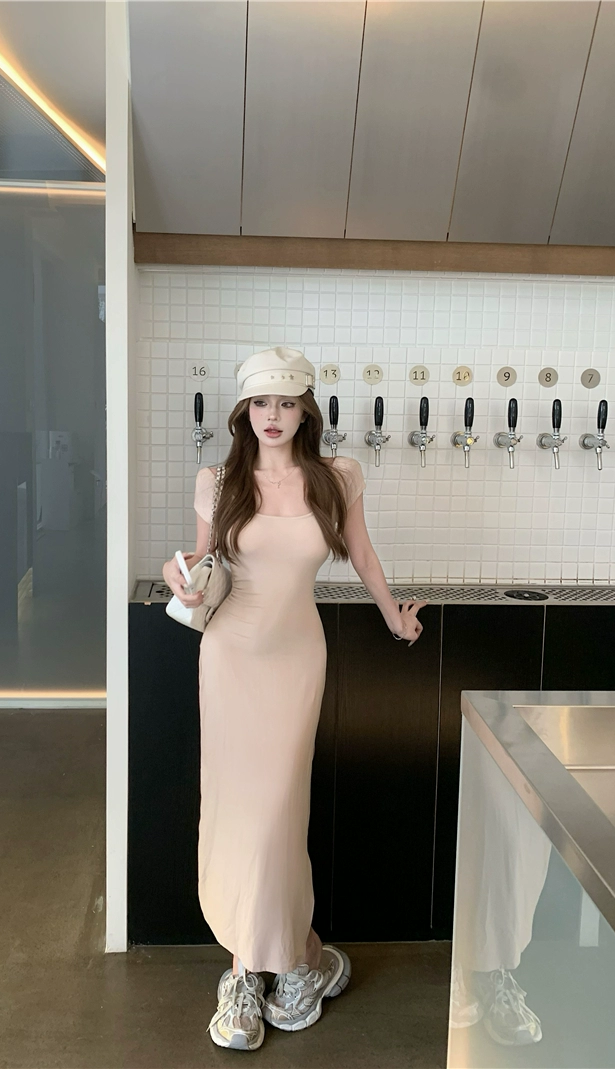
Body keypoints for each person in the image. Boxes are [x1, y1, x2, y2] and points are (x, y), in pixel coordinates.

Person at [162, 346, 427, 1052]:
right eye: (260, 402)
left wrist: (394, 617)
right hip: (230, 658)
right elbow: (203, 564)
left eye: (286, 403)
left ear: (306, 410)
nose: (272, 416)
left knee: (279, 814)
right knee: (238, 815)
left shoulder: (338, 476)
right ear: (243, 411)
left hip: (296, 661)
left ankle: (298, 958)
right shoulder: (217, 481)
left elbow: (362, 554)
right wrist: (180, 575)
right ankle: (253, 972)